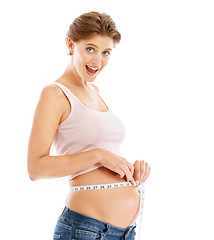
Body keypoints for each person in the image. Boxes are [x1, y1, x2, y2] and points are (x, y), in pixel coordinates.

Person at [27, 11, 151, 240]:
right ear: (71, 44)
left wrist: (129, 170)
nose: (98, 61)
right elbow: (36, 168)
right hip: (85, 230)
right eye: (90, 49)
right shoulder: (54, 94)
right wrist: (99, 156)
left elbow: (102, 155)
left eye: (106, 53)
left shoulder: (95, 92)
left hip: (125, 233)